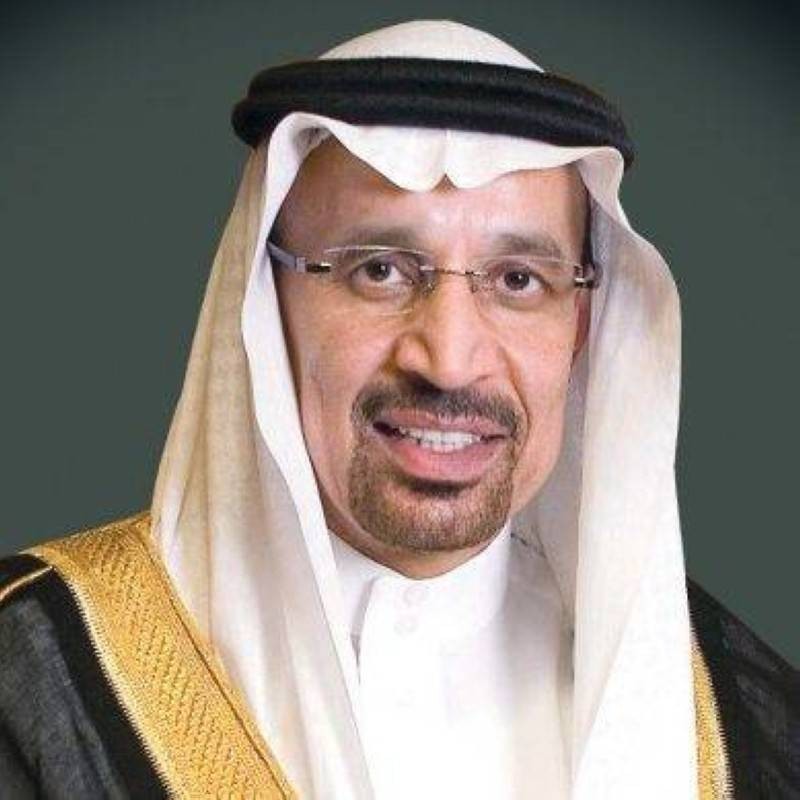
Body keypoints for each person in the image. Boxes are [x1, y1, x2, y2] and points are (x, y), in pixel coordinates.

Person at [0, 19, 796, 800]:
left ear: (580, 326)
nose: (449, 359)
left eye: (519, 280)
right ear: (263, 305)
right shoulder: (30, 669)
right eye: (379, 270)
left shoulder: (744, 723)